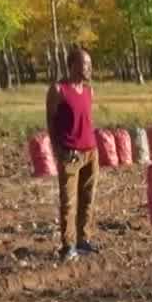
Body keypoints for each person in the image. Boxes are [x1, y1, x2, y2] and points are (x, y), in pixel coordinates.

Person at [47, 47, 100, 262]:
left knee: (88, 199)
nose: (88, 68)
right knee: (69, 201)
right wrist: (57, 150)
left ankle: (83, 240)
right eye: (84, 64)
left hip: (91, 152)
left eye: (89, 64)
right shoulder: (58, 90)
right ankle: (68, 246)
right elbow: (50, 122)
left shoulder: (89, 91)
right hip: (70, 154)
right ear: (72, 65)